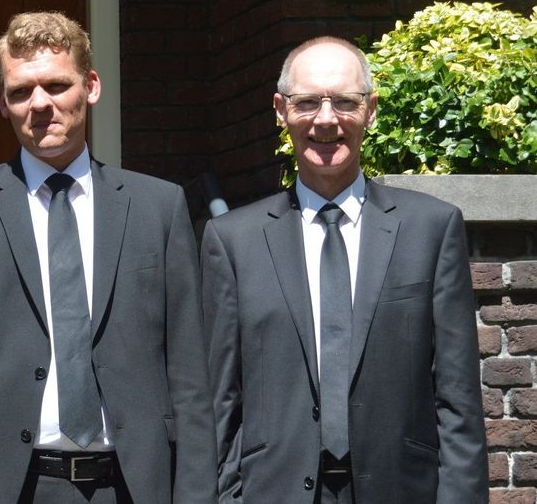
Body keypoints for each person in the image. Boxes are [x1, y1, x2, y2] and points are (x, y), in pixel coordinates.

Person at [0, 12, 217, 504]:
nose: (40, 104)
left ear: (90, 86)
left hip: (132, 484)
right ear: (2, 103)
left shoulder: (159, 206)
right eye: (21, 91)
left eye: (55, 85)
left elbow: (190, 374)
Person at [201, 36, 487, 503]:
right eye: (308, 102)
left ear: (370, 111)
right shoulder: (233, 241)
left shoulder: (431, 229)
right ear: (281, 110)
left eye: (345, 102)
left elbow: (457, 401)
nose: (326, 119)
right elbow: (220, 401)